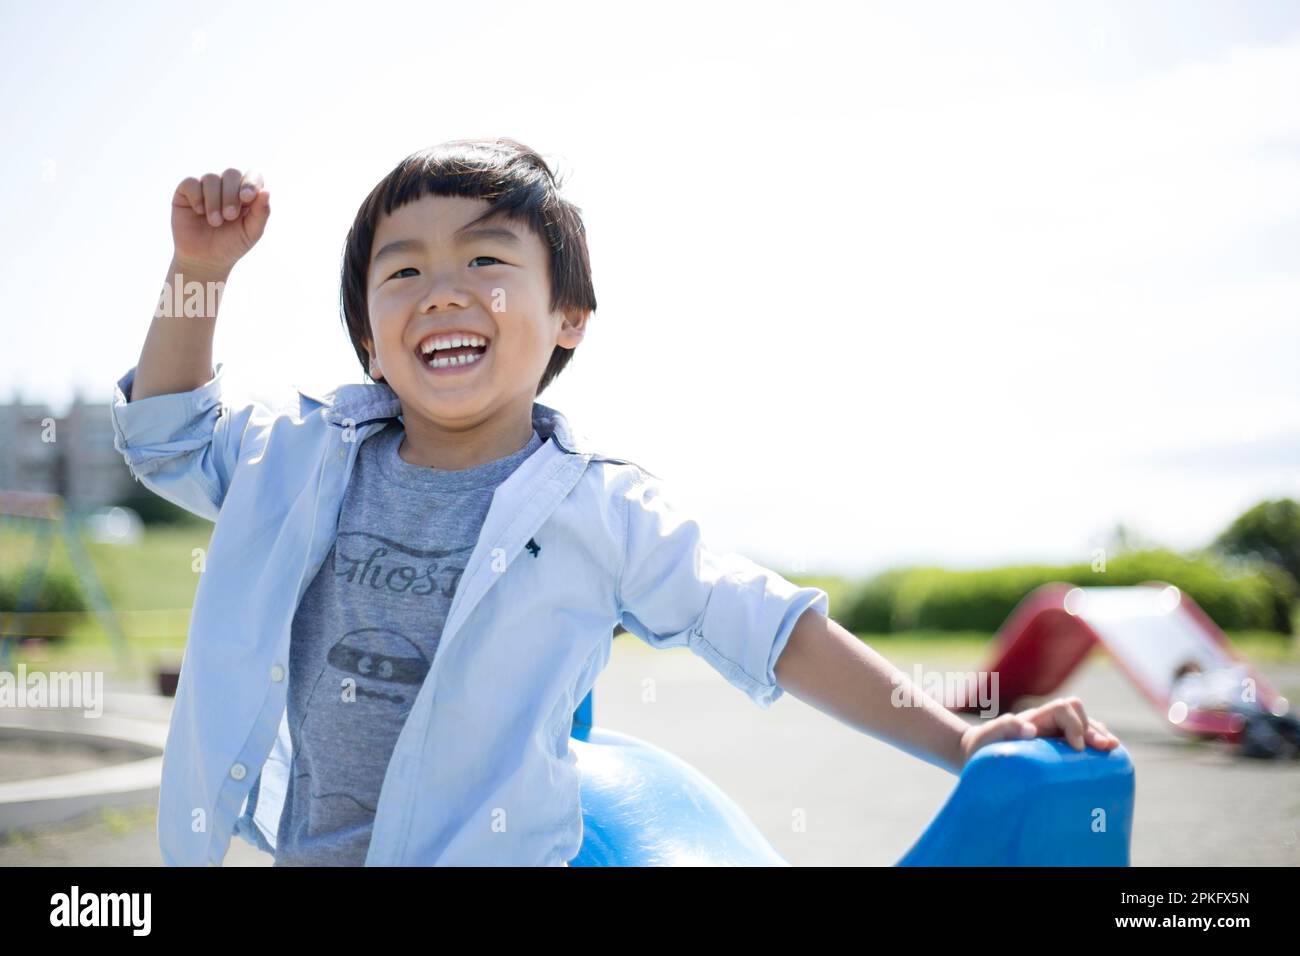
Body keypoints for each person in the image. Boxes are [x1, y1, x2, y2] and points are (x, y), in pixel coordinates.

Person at [113, 138, 1122, 867]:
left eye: (486, 259)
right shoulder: (300, 457)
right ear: (371, 340)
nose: (442, 288)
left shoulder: (603, 510)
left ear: (568, 319)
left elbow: (772, 626)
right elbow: (167, 429)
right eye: (404, 268)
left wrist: (957, 737)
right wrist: (197, 276)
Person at [1171, 659, 1300, 759]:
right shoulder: (1187, 684)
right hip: (1226, 709)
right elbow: (1192, 705)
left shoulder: (1207, 679)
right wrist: (1214, 706)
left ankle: (1281, 746)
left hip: (1232, 706)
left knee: (1266, 718)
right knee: (1262, 719)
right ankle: (1278, 747)